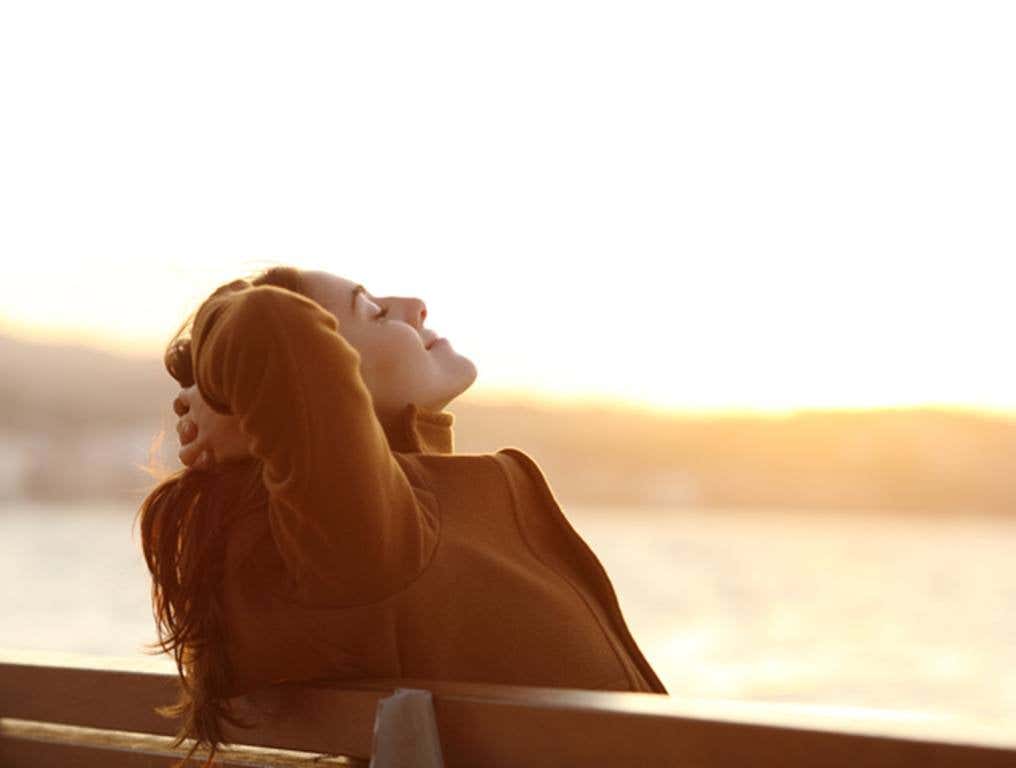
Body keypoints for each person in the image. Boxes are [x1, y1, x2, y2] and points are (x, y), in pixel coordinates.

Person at [137, 265, 666, 765]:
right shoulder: (369, 534)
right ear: (318, 369)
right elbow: (269, 323)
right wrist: (221, 391)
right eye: (372, 312)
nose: (414, 306)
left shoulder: (398, 518)